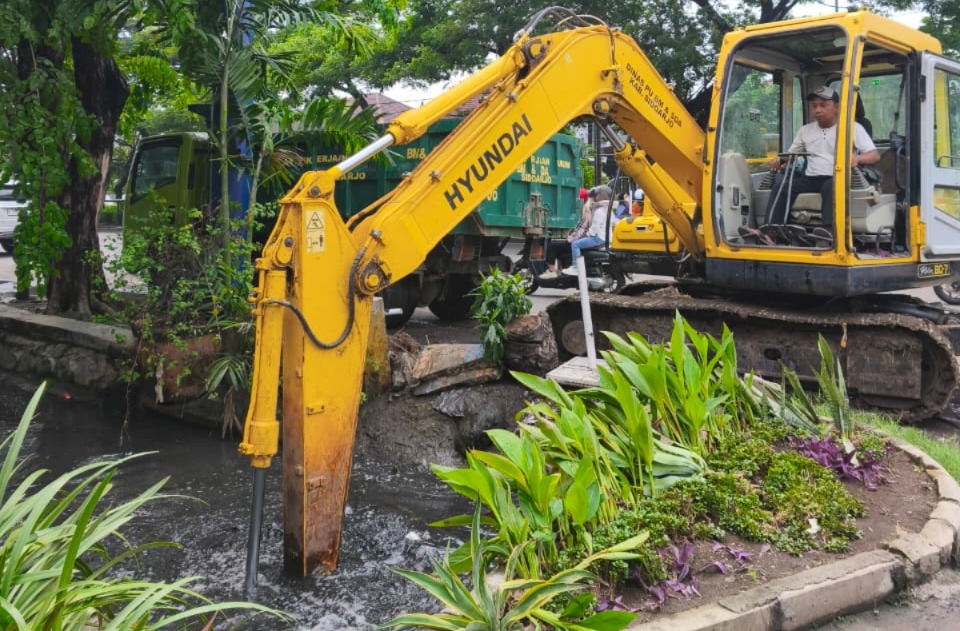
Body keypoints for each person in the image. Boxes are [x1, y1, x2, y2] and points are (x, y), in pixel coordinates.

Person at [764, 85, 880, 232]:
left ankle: (828, 234)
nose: (818, 110)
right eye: (814, 106)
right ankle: (770, 232)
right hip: (811, 178)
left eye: (823, 105)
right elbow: (791, 155)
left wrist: (856, 158)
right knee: (782, 187)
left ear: (836, 107)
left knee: (830, 186)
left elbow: (874, 155)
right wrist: (779, 161)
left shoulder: (852, 128)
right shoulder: (805, 130)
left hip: (838, 177)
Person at [539, 187, 593, 278]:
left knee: (552, 245)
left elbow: (581, 231)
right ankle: (560, 270)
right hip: (576, 239)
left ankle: (551, 271)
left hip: (577, 240)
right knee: (558, 245)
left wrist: (569, 240)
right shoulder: (580, 211)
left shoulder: (585, 212)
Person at [562, 185, 613, 275]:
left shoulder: (599, 211)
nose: (593, 198)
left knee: (575, 244)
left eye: (595, 196)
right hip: (606, 239)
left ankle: (575, 268)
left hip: (598, 238)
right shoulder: (609, 210)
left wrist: (587, 234)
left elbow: (595, 228)